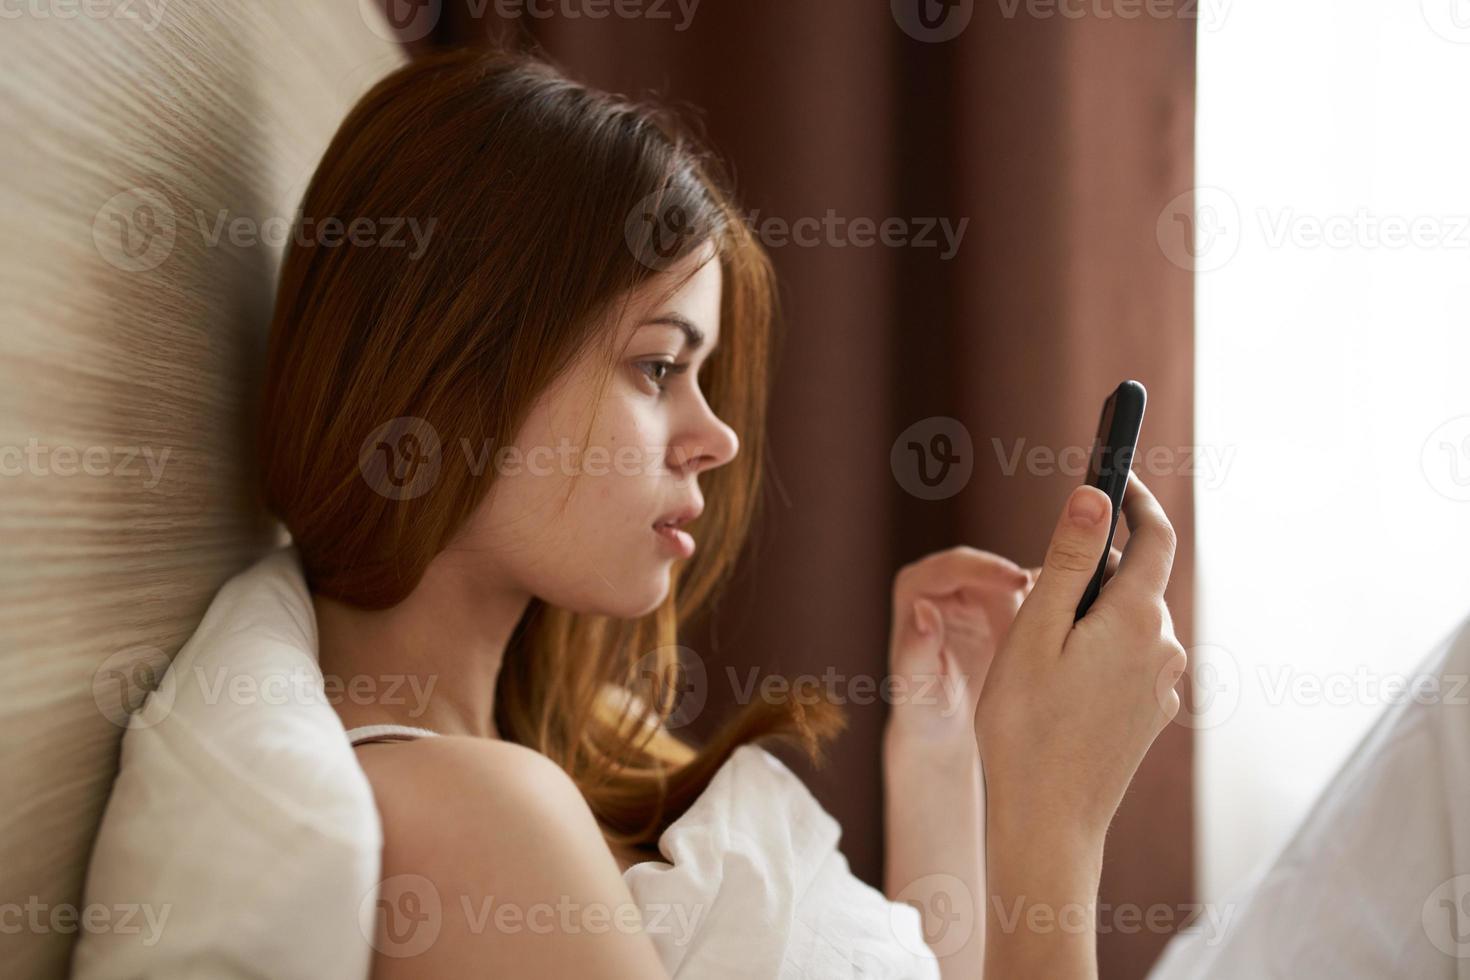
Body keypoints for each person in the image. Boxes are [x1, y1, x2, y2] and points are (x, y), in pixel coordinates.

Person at [256, 46, 1186, 979]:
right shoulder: (466, 816)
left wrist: (939, 754)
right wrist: (1054, 818)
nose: (720, 437)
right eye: (659, 367)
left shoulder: (589, 736)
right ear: (454, 368)